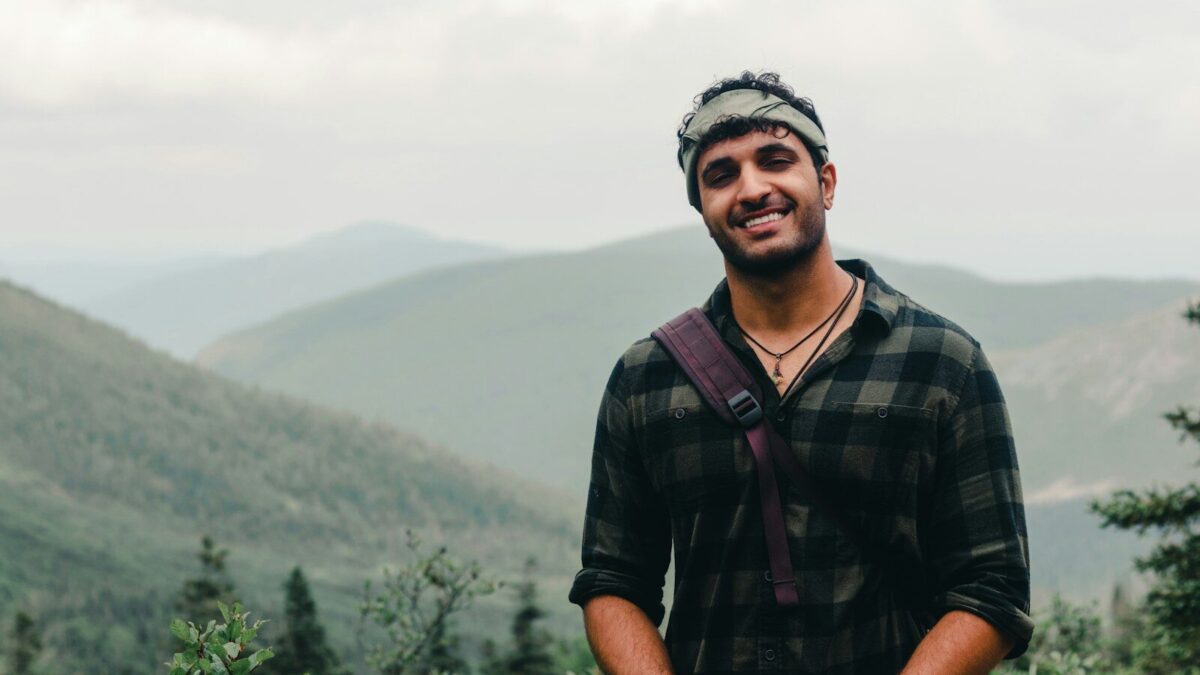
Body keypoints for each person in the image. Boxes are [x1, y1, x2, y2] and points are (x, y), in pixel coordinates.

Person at [568, 71, 1032, 674]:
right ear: (704, 211)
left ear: (826, 182)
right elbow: (613, 581)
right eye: (721, 175)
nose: (752, 188)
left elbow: (991, 584)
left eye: (775, 160)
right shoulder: (647, 378)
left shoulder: (941, 362)